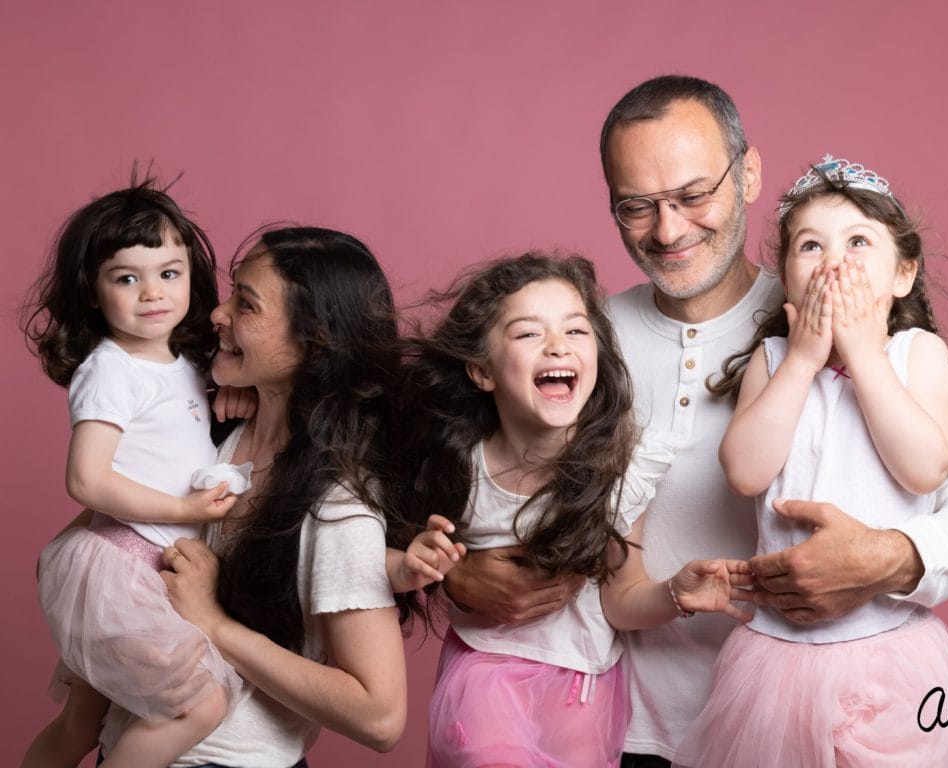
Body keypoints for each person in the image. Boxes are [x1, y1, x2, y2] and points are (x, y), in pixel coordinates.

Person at [443, 75, 948, 767]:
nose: (668, 230)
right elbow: (479, 482)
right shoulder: (583, 339)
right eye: (637, 206)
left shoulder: (836, 317)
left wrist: (888, 558)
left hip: (808, 720)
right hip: (620, 726)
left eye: (693, 196)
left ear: (748, 174)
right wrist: (454, 578)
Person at [677, 155, 948, 766]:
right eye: (810, 245)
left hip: (896, 652)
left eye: (858, 241)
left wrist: (864, 355)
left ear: (903, 273)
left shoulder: (917, 355)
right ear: (785, 274)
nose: (834, 261)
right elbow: (746, 471)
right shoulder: (774, 361)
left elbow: (925, 467)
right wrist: (804, 362)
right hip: (778, 658)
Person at [390, 253, 750, 767]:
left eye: (576, 331)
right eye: (529, 334)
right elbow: (408, 563)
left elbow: (620, 601)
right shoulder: (459, 465)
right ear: (481, 370)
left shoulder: (619, 471)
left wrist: (678, 593)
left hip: (586, 690)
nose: (558, 344)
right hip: (487, 675)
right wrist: (428, 563)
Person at [97, 226, 410, 767]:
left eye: (246, 304)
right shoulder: (215, 431)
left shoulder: (338, 504)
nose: (218, 313)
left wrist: (214, 622)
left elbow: (380, 717)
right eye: (230, 292)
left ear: (312, 343)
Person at [20, 178, 244, 768]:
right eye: (127, 278)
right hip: (120, 566)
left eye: (168, 273)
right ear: (92, 294)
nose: (152, 293)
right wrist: (187, 512)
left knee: (80, 725)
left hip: (146, 565)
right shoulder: (111, 369)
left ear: (191, 277)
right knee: (199, 705)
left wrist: (235, 394)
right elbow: (87, 482)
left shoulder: (187, 362)